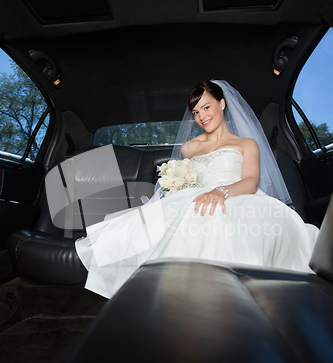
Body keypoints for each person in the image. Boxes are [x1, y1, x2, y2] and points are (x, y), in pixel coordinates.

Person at [75, 80, 319, 299]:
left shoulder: (246, 144)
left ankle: (230, 297)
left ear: (222, 104)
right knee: (179, 218)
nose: (202, 116)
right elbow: (187, 181)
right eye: (195, 112)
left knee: (226, 223)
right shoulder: (189, 148)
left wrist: (220, 192)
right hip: (197, 197)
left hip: (239, 195)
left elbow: (251, 181)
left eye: (206, 107)